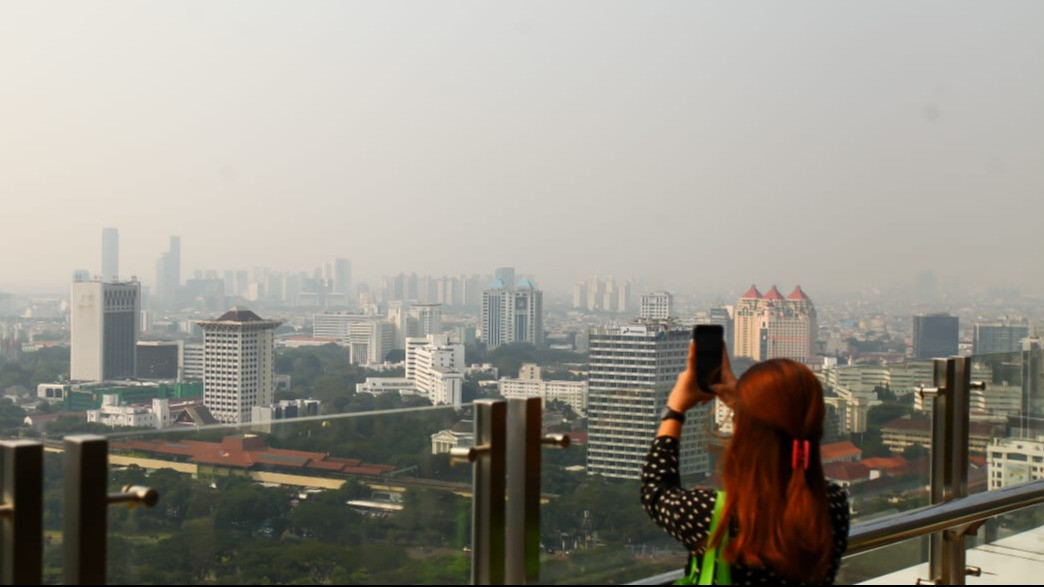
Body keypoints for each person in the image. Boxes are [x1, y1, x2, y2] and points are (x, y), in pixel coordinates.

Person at [641, 342, 849, 584]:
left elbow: (655, 491)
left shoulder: (713, 516)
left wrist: (676, 408)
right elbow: (781, 427)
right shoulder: (831, 505)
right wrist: (744, 400)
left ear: (744, 431)